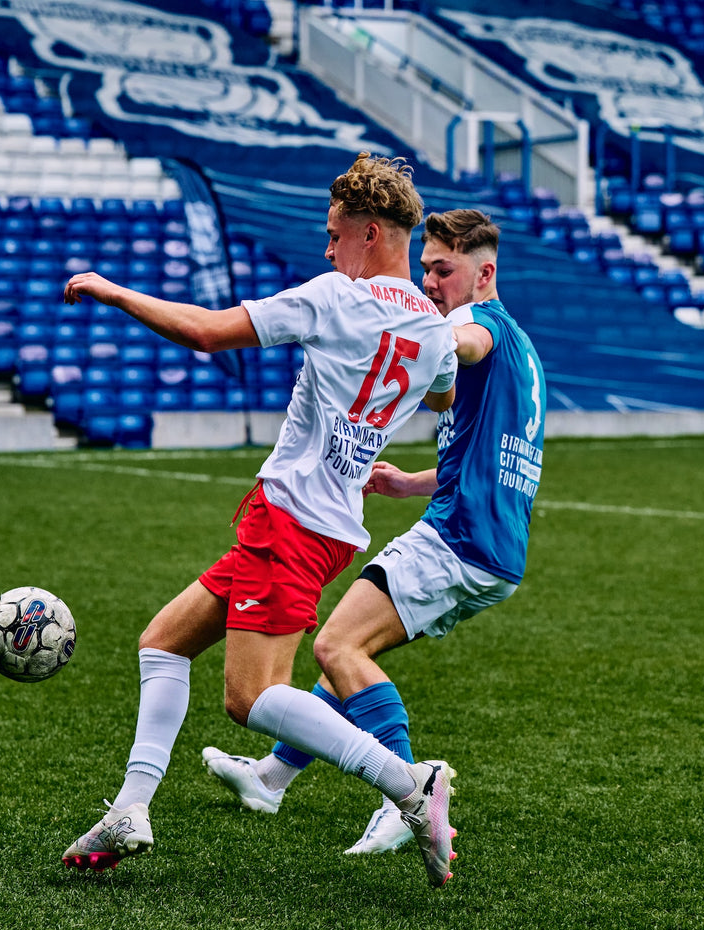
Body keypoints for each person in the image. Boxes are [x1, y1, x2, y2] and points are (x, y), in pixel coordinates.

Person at [58, 153, 463, 887]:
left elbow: (210, 332)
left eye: (334, 233)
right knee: (163, 642)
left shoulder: (338, 296)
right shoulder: (434, 330)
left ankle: (407, 781)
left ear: (369, 233)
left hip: (292, 518)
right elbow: (439, 398)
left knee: (250, 697)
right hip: (329, 521)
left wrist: (114, 291)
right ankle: (130, 806)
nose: (327, 247)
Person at [202, 208, 547, 856]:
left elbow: (465, 343)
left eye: (443, 270)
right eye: (425, 267)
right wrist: (409, 482)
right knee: (354, 653)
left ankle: (408, 790)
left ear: (484, 273)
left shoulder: (475, 328)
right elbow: (482, 455)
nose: (431, 280)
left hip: (459, 539)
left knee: (336, 646)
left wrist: (424, 336)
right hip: (495, 547)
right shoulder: (525, 350)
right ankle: (271, 777)